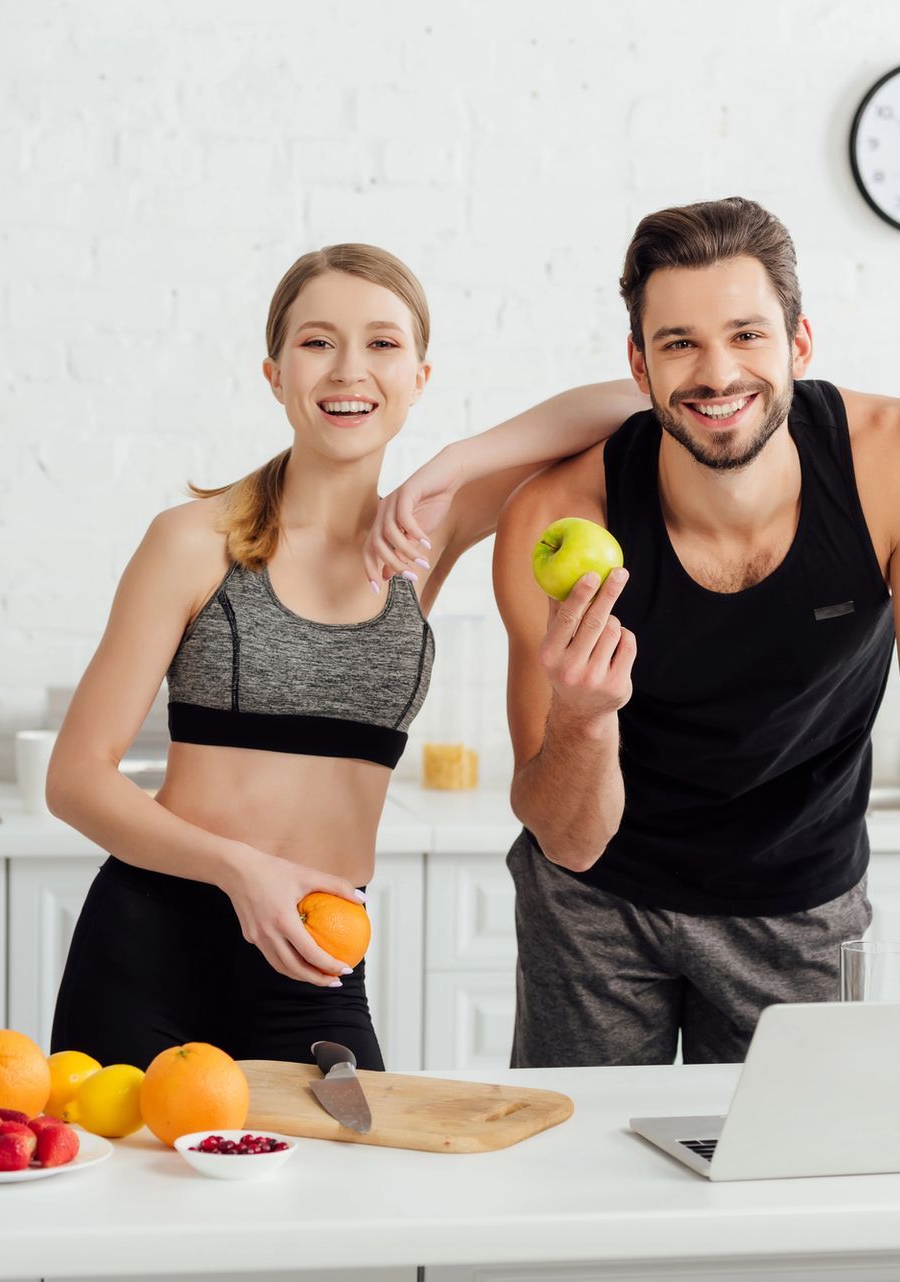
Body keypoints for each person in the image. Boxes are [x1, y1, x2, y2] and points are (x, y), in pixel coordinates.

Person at [45, 243, 643, 1071]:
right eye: (318, 342)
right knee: (132, 1197)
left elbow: (639, 402)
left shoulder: (424, 539)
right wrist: (242, 872)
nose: (347, 370)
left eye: (383, 344)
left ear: (420, 378)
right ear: (274, 372)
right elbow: (76, 778)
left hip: (320, 955)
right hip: (154, 944)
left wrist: (458, 462)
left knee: (348, 1191)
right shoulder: (195, 542)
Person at [493, 197, 900, 1067]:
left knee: (795, 1185)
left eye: (746, 335)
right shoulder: (558, 517)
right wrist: (584, 719)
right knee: (579, 1183)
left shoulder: (899, 461)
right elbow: (568, 836)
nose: (717, 373)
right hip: (596, 911)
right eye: (679, 343)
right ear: (640, 364)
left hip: (803, 904)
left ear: (799, 344)